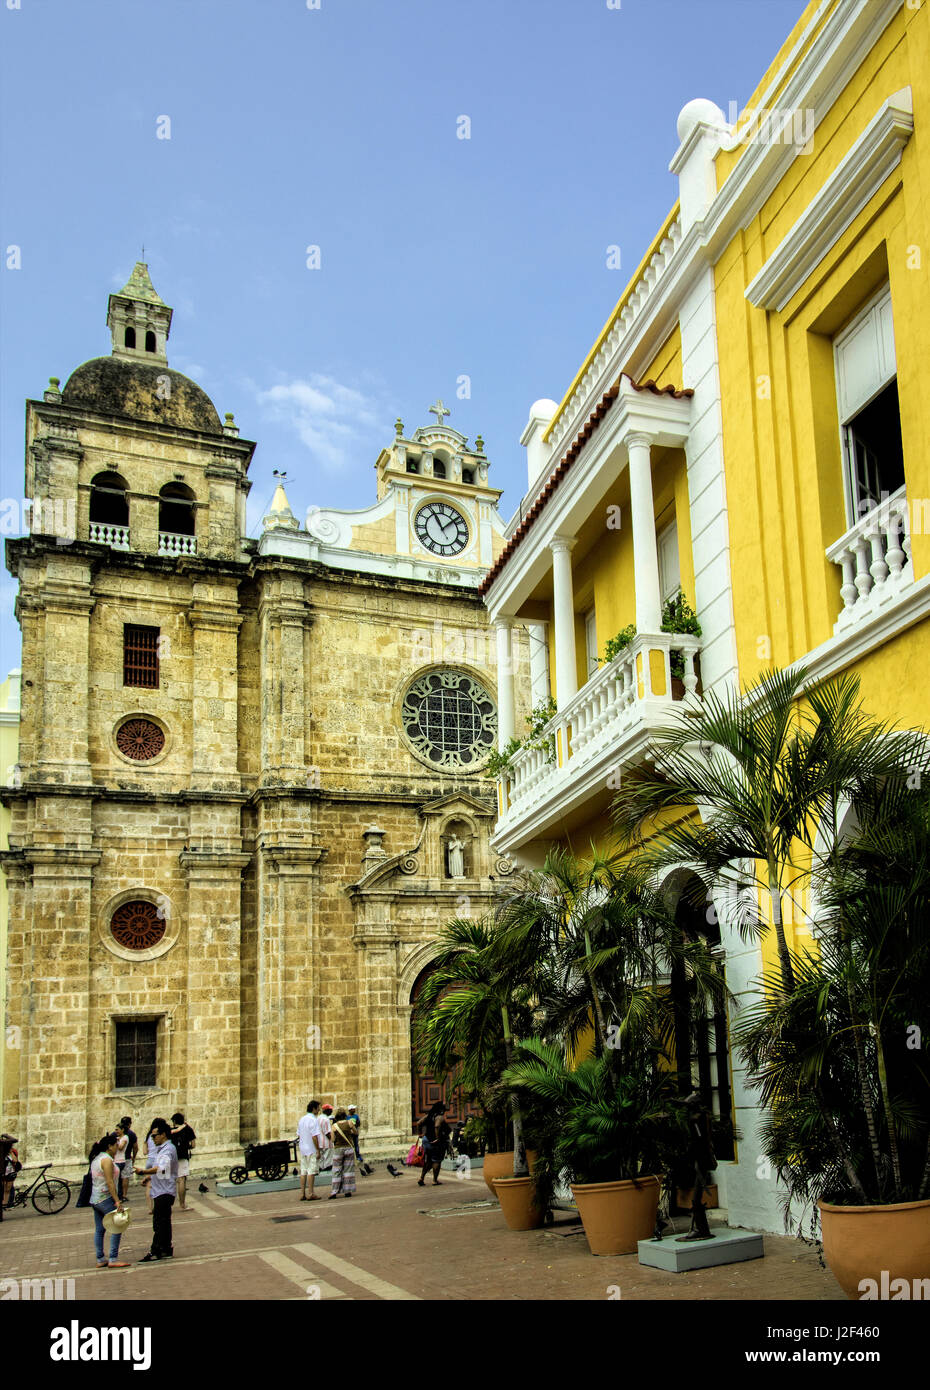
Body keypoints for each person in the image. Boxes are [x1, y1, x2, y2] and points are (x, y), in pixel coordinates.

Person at [134, 1118, 177, 1261]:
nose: (152, 1139)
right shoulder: (163, 1149)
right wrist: (149, 1178)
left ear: (163, 1134)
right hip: (162, 1190)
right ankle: (166, 1249)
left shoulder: (167, 1150)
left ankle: (156, 1250)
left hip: (164, 1191)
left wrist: (144, 1172)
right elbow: (161, 1171)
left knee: (159, 1223)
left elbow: (162, 1168)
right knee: (164, 1222)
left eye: (154, 1136)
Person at [89, 1132, 130, 1269]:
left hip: (95, 1199)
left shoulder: (97, 1158)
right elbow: (110, 1182)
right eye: (115, 1146)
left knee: (100, 1229)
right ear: (109, 1146)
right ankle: (113, 1258)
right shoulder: (106, 1160)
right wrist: (117, 1201)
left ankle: (100, 1258)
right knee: (117, 1225)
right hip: (104, 1198)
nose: (117, 1148)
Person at [417, 1102, 450, 1187]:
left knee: (428, 1161)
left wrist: (420, 1134)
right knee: (436, 1160)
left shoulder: (429, 1116)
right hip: (435, 1142)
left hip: (426, 1140)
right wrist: (437, 1138)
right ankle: (435, 1180)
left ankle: (421, 1178)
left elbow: (418, 1123)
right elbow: (437, 1126)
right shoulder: (439, 1117)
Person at [297, 1101, 323, 1201]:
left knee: (303, 1171)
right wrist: (318, 1150)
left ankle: (302, 1193)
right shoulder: (313, 1120)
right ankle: (311, 1193)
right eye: (318, 1108)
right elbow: (314, 1136)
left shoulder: (301, 1119)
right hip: (311, 1149)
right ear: (313, 1109)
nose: (319, 1110)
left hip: (303, 1148)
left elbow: (299, 1134)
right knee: (311, 1171)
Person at [170, 1112, 196, 1211]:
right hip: (183, 1156)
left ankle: (169, 1204)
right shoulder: (188, 1129)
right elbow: (193, 1145)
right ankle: (182, 1204)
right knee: (181, 1180)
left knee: (170, 1180)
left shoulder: (170, 1130)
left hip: (171, 1156)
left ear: (174, 1121)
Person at [328, 1108, 357, 1198]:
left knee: (336, 1170)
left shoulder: (334, 1126)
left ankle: (334, 1192)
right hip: (348, 1148)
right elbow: (356, 1133)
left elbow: (332, 1139)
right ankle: (347, 1191)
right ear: (345, 1115)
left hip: (338, 1149)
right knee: (348, 1170)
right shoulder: (349, 1123)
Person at [346, 1105, 372, 1176]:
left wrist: (355, 1127)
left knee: (356, 1145)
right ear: (350, 1110)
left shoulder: (356, 1116)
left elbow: (358, 1123)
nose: (354, 1110)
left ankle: (358, 1156)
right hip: (350, 1133)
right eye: (353, 1109)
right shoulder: (347, 1117)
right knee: (351, 1145)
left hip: (355, 1132)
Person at [119, 1116, 138, 1200]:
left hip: (116, 1158)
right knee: (125, 1177)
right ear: (130, 1124)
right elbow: (135, 1147)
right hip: (126, 1157)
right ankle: (124, 1195)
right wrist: (134, 1157)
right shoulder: (132, 1134)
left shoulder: (115, 1132)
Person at [0, 1133, 19, 1219]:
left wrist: (11, 1152)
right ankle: (3, 1205)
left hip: (11, 1172)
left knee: (8, 1189)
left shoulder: (12, 1152)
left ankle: (5, 1204)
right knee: (3, 1188)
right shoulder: (2, 1153)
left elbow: (15, 1161)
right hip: (3, 1173)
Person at [318, 1104, 333, 1172]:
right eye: (330, 1110)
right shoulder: (326, 1119)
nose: (331, 1111)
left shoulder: (318, 1118)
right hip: (326, 1143)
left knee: (321, 1160)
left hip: (319, 1142)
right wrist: (332, 1139)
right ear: (327, 1111)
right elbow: (327, 1133)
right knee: (328, 1160)